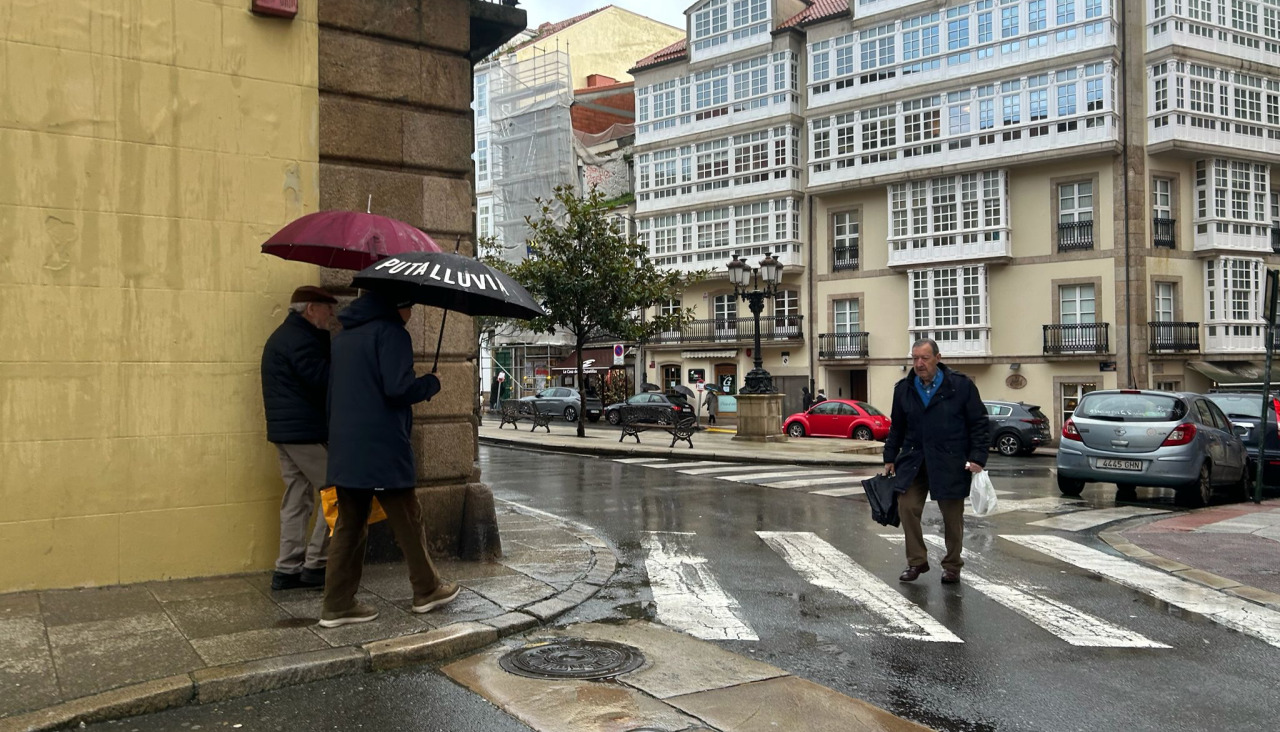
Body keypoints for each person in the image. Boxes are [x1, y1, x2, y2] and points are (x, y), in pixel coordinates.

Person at [320, 291, 459, 627]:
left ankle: (337, 604)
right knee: (408, 518)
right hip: (381, 445)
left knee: (349, 524)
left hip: (346, 445)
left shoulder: (343, 337)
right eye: (410, 306)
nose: (411, 312)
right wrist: (430, 383)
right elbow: (398, 389)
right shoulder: (392, 333)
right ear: (398, 306)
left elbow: (332, 393)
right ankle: (427, 589)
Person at [882, 339, 989, 585]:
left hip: (950, 460)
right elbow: (897, 426)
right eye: (915, 358)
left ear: (938, 358)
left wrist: (977, 457)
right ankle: (917, 561)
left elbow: (979, 423)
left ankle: (952, 565)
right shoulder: (904, 389)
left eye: (925, 358)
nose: (919, 364)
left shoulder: (961, 386)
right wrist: (889, 457)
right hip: (914, 459)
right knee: (907, 506)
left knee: (952, 516)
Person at [261, 286, 338, 591]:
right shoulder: (301, 339)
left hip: (286, 432)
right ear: (310, 309)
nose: (331, 315)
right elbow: (323, 380)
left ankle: (287, 569)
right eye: (327, 309)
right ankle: (316, 563)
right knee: (338, 489)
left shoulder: (286, 336)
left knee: (296, 496)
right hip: (303, 432)